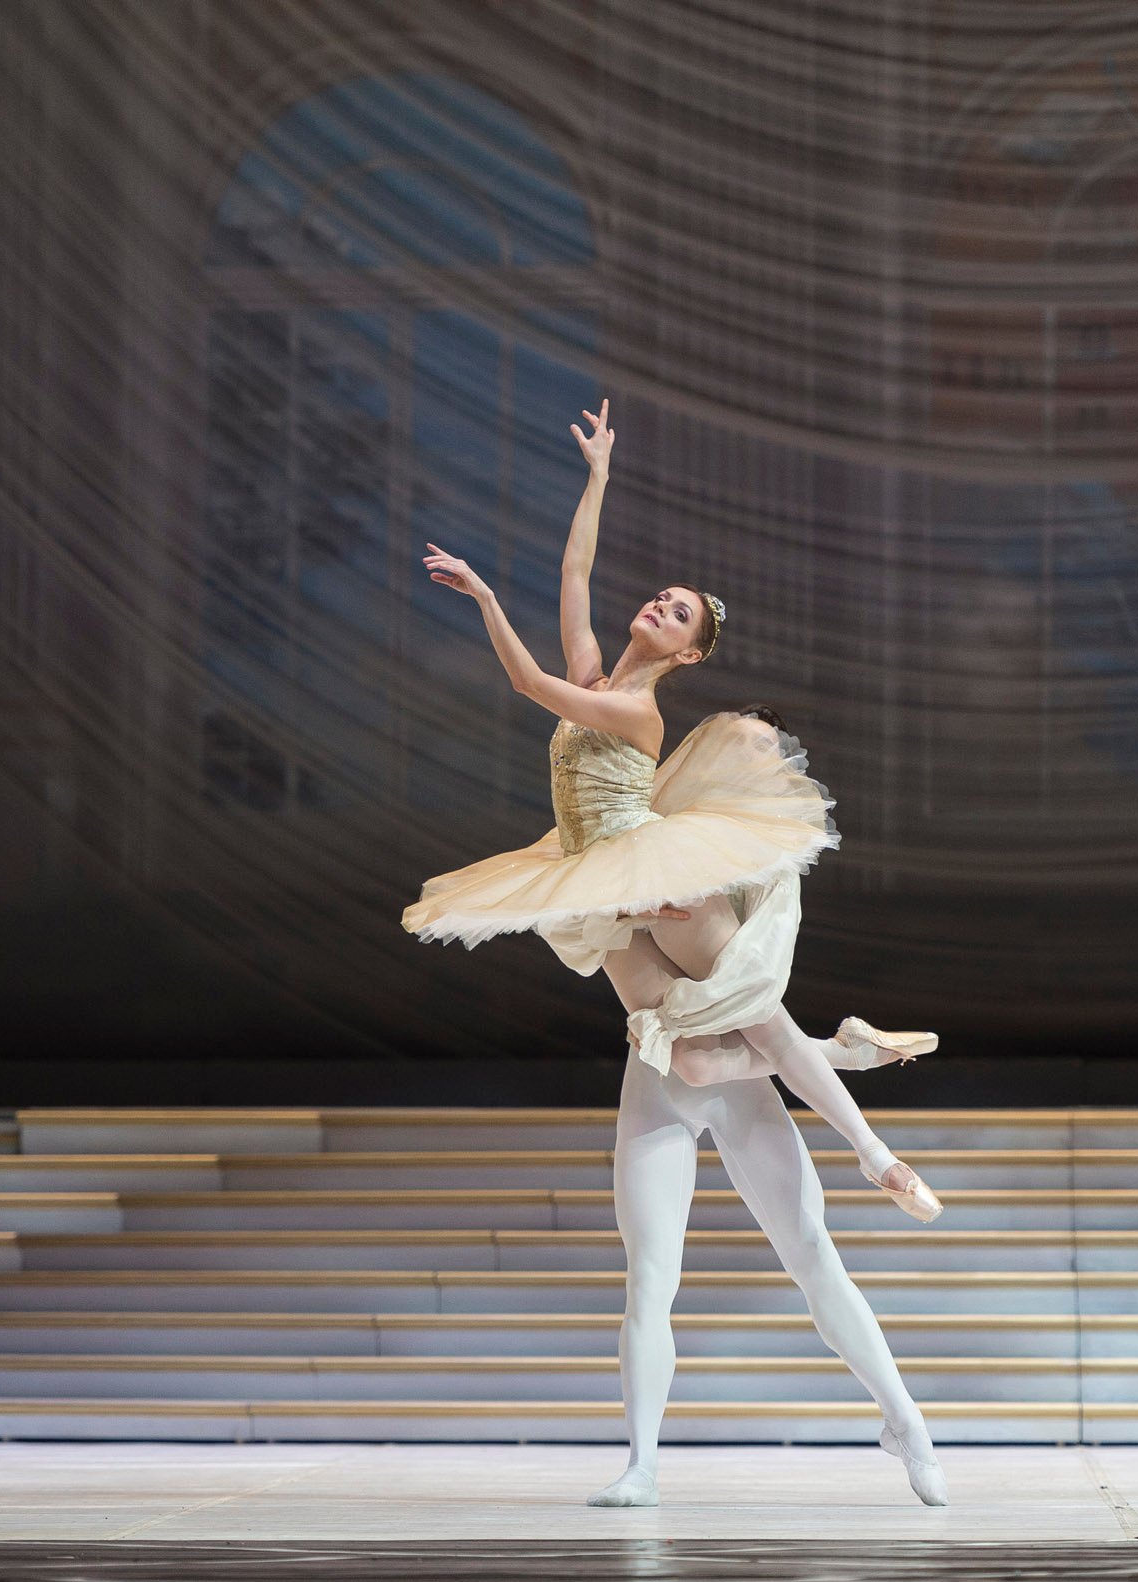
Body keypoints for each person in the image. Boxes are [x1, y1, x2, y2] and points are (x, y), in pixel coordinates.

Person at [401, 400, 949, 1506]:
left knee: (797, 1209)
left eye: (678, 610)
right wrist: (597, 475)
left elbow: (527, 685)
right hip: (630, 956)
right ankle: (644, 1459)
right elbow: (575, 581)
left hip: (655, 885)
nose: (656, 603)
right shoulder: (603, 672)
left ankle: (905, 1406)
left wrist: (485, 600)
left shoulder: (638, 719)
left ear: (689, 650)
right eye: (659, 593)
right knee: (656, 1231)